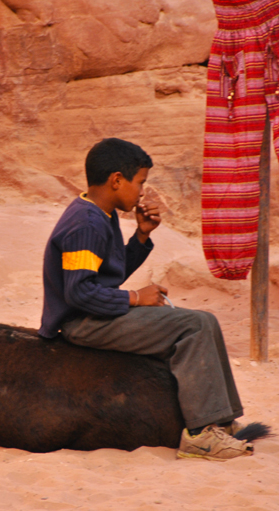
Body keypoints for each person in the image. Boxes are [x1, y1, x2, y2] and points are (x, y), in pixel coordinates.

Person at [38, 137, 251, 461]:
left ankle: (220, 421)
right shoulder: (86, 223)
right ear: (116, 180)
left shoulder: (100, 214)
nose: (142, 192)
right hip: (82, 322)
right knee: (195, 325)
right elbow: (79, 292)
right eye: (141, 183)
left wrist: (141, 235)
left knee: (203, 321)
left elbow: (108, 276)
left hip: (93, 314)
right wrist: (136, 298)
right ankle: (200, 435)